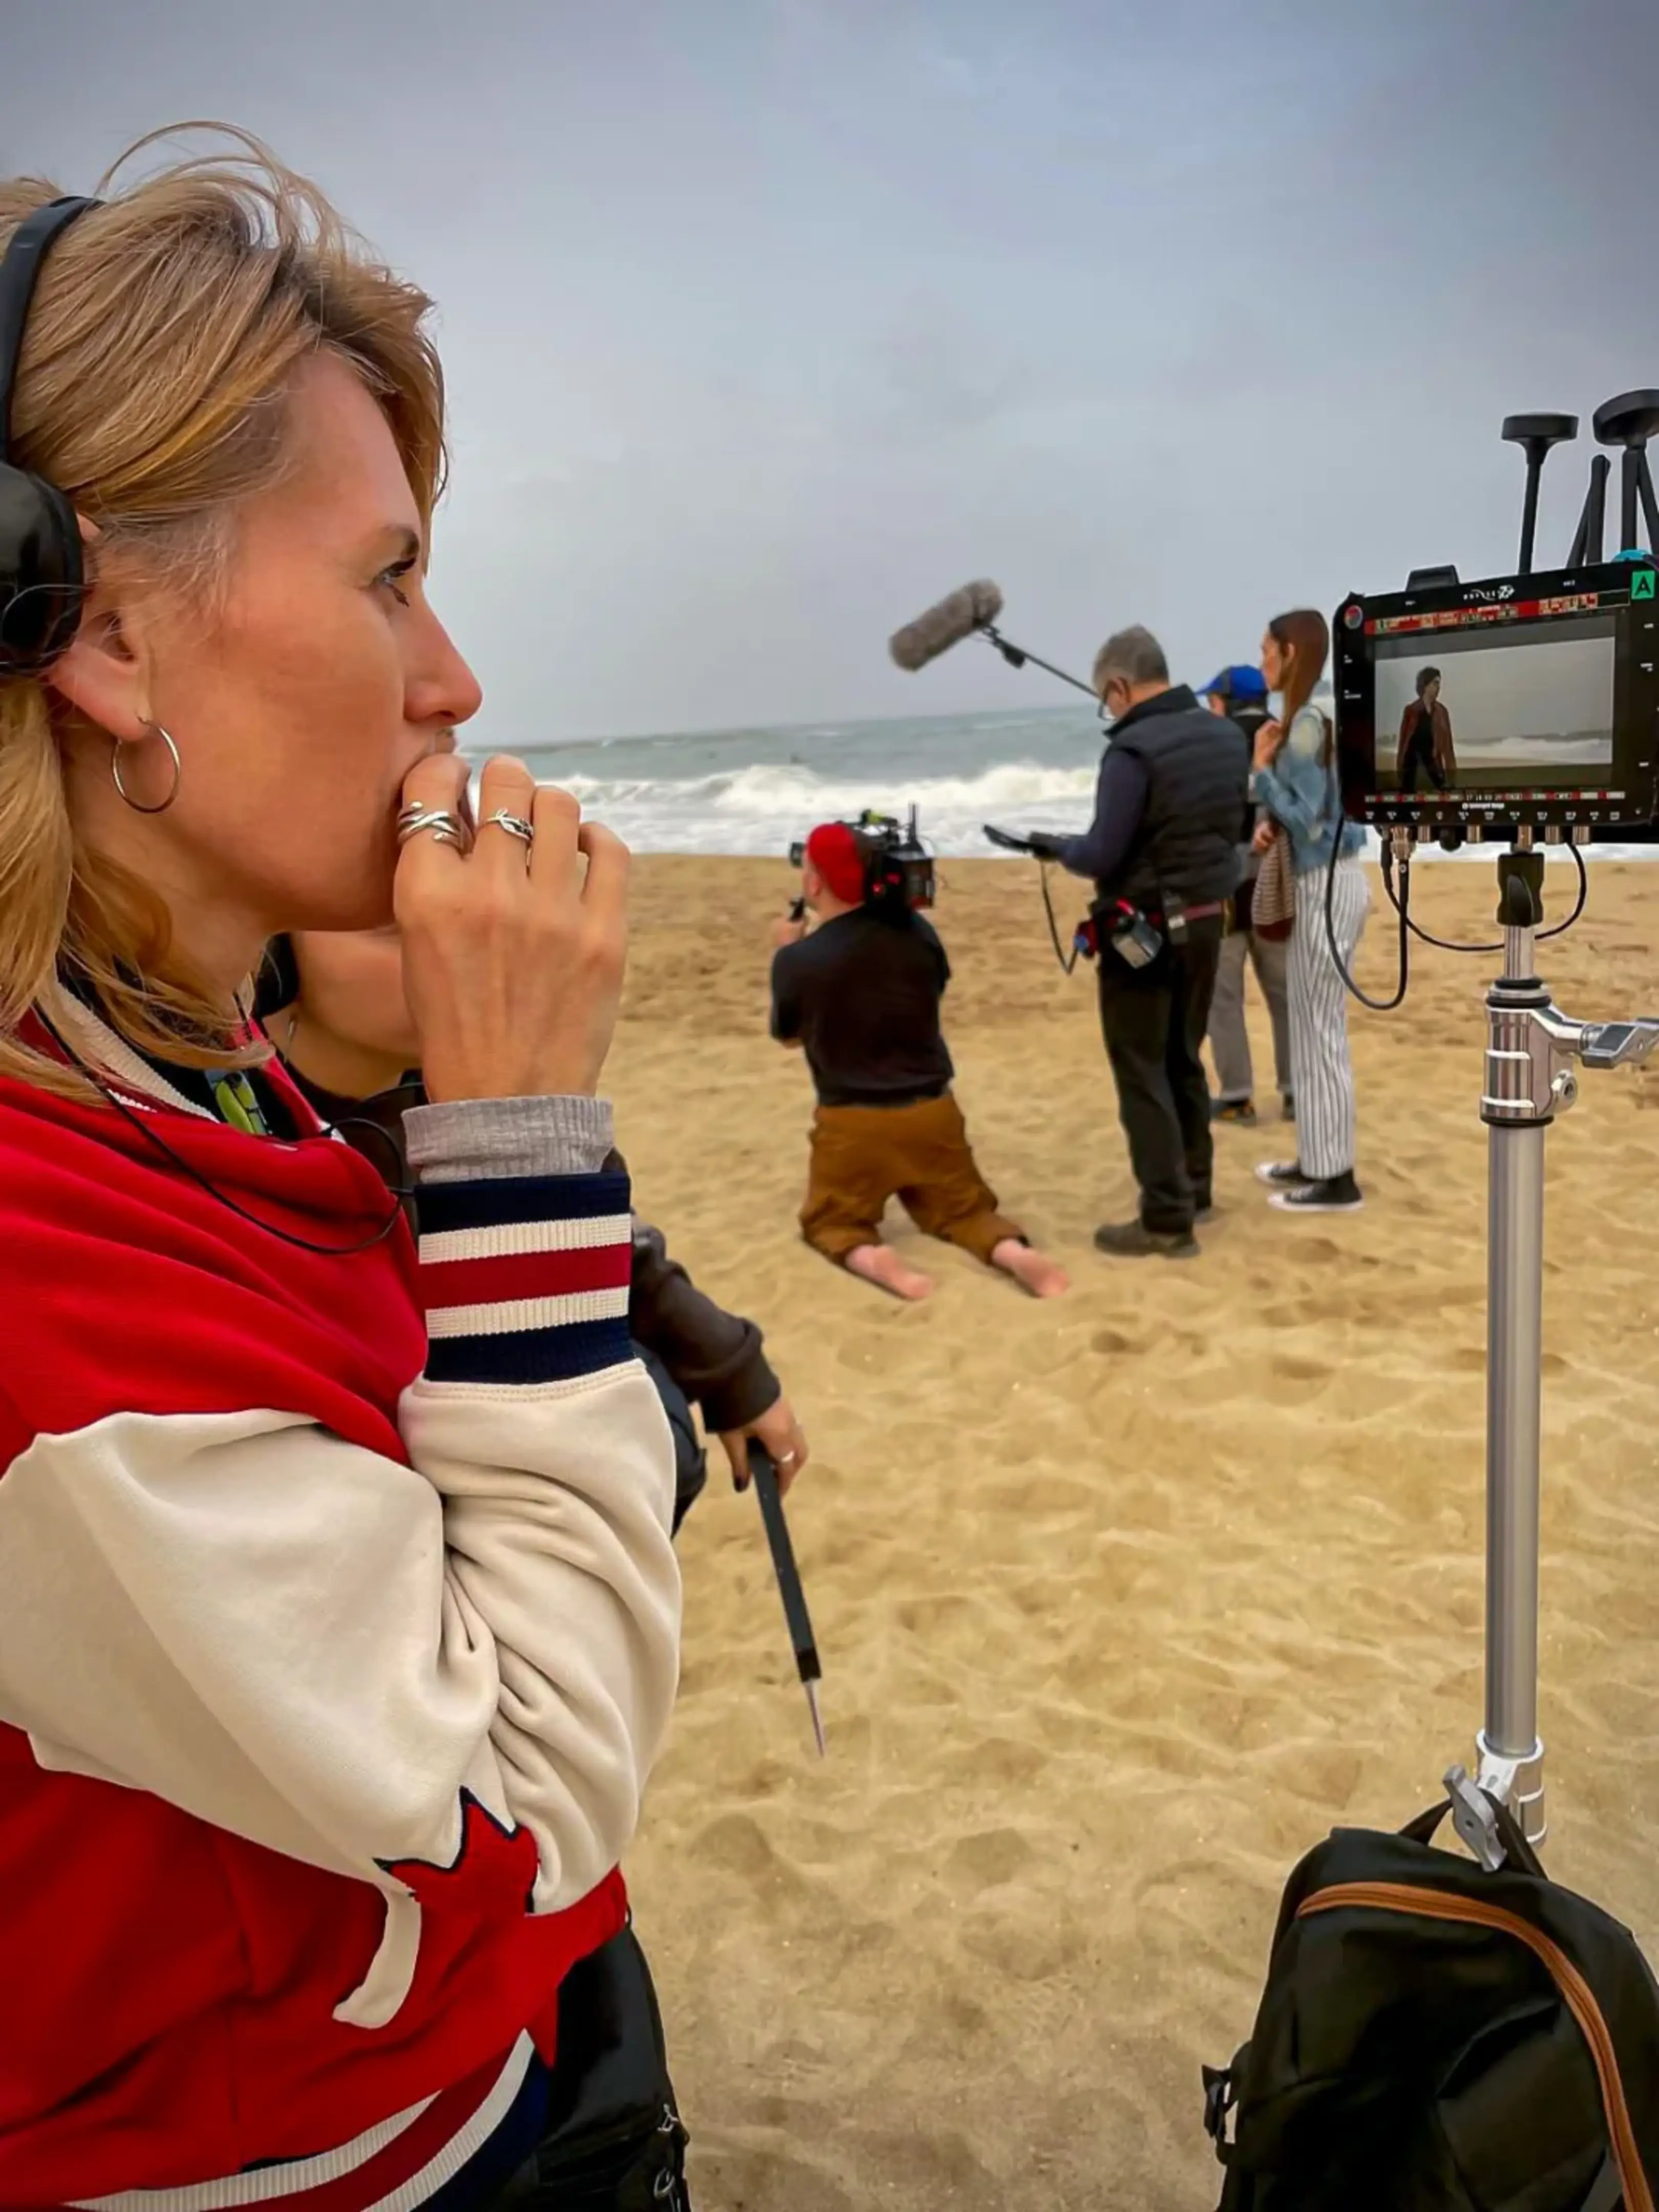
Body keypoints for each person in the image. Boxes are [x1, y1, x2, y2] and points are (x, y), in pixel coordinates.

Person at [0, 137, 686, 2206]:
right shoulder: (48, 1288)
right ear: (106, 638)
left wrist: (375, 1067)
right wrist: (520, 1143)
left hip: (476, 2056)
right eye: (386, 577)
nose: (451, 676)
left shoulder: (172, 1067)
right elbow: (521, 1787)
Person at [264, 923, 809, 1524]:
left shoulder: (485, 1088)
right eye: (393, 928)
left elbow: (595, 1238)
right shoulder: (221, 1148)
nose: (457, 954)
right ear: (271, 959)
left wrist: (734, 1374)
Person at [770, 821, 1068, 1302]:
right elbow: (932, 988)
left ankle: (878, 1261)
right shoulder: (918, 933)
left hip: (852, 1121)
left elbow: (788, 1037)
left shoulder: (801, 959)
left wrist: (787, 950)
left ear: (813, 884)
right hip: (932, 1112)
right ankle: (1015, 1255)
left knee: (833, 1223)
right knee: (967, 1213)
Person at [1036, 625, 1249, 1260]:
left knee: (1141, 1065)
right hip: (1211, 918)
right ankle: (1196, 1189)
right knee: (1184, 1053)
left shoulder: (1130, 751)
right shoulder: (1225, 736)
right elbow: (1230, 826)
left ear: (1121, 686)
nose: (1111, 710)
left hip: (1144, 926)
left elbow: (1103, 850)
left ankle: (1164, 1217)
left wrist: (1054, 847)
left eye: (1109, 699)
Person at [1250, 608, 1369, 1214]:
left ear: (1291, 652)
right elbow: (1317, 813)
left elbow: (1313, 821)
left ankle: (1335, 1181)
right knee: (1314, 1026)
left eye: (1267, 650)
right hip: (1333, 880)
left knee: (1319, 1032)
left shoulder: (1304, 725)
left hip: (1326, 883)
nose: (1261, 661)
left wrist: (1260, 777)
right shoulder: (1316, 717)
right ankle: (1319, 1160)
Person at [1197, 664, 1293, 1128]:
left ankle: (1237, 1095)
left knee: (1224, 994)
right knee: (1284, 993)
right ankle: (1297, 1092)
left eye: (1212, 702)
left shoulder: (1211, 746)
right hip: (1277, 879)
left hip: (1226, 883)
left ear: (1225, 702)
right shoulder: (1286, 737)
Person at [1396, 665, 1457, 792]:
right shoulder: (1411, 711)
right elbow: (1403, 743)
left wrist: (1452, 773)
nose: (1439, 687)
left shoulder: (1442, 712)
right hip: (1412, 769)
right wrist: (1399, 768)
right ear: (1426, 685)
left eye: (1439, 684)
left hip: (1433, 766)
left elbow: (1448, 746)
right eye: (1435, 683)